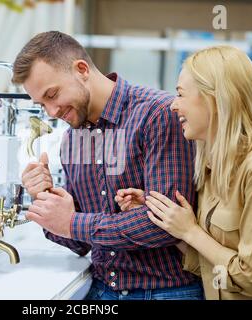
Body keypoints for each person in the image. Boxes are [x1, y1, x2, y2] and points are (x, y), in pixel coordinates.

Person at [12, 31, 204, 300]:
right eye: (42, 104)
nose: (52, 111)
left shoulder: (156, 114)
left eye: (52, 94)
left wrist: (71, 222)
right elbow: (79, 242)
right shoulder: (73, 139)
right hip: (102, 292)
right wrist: (45, 199)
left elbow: (164, 226)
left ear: (81, 69)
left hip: (166, 292)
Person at [115, 45, 252, 300]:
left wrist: (190, 231)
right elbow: (211, 268)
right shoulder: (211, 167)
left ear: (216, 97)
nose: (173, 106)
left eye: (180, 94)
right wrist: (168, 220)